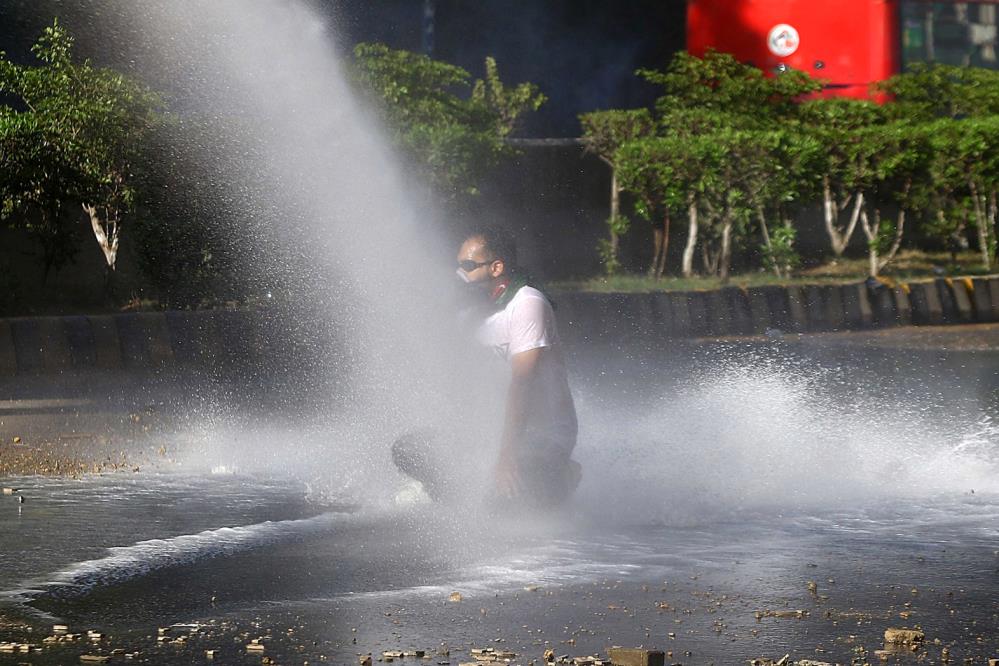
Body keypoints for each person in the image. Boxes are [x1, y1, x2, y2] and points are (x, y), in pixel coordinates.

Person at [393, 226, 581, 507]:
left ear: (496, 267)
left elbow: (522, 384)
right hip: (493, 429)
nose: (460, 274)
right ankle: (447, 496)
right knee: (407, 450)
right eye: (458, 266)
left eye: (468, 266)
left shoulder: (528, 304)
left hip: (544, 433)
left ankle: (563, 477)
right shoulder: (469, 310)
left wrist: (505, 458)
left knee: (501, 507)